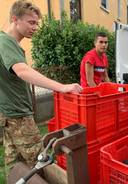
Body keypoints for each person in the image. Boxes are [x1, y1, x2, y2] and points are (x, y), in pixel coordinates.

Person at [0, 0, 83, 173]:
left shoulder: (8, 43)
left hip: (9, 114)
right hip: (19, 116)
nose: (35, 27)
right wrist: (62, 87)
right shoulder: (6, 42)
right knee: (41, 163)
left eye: (37, 23)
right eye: (31, 22)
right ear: (15, 19)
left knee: (15, 166)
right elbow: (22, 71)